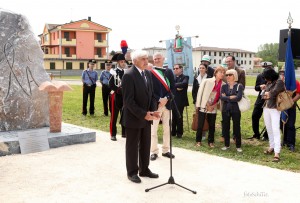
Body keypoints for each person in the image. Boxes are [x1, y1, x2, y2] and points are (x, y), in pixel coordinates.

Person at [121, 50, 160, 183]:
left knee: (145, 144)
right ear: (135, 61)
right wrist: (144, 114)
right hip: (134, 118)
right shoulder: (129, 75)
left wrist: (153, 110)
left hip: (146, 117)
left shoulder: (147, 73)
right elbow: (128, 101)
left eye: (146, 58)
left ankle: (144, 169)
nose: (146, 61)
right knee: (132, 146)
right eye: (143, 59)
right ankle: (132, 172)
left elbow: (150, 95)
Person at [150, 52, 175, 161]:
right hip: (156, 105)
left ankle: (166, 150)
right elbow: (150, 89)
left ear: (163, 59)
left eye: (158, 58)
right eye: (155, 59)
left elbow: (173, 88)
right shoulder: (151, 72)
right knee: (153, 129)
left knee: (167, 129)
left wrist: (167, 98)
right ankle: (154, 151)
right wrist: (159, 99)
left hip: (167, 104)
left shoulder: (169, 72)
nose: (156, 60)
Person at [195, 66, 225, 147]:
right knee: (200, 124)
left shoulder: (223, 85)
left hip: (213, 107)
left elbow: (221, 98)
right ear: (215, 73)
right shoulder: (207, 81)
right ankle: (198, 141)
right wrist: (202, 105)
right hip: (204, 105)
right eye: (220, 72)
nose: (222, 74)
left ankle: (211, 142)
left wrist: (214, 105)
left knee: (212, 125)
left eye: (223, 73)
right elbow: (200, 93)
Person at [261, 68, 285, 162]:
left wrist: (267, 93)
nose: (266, 80)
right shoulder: (269, 82)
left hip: (275, 108)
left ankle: (277, 152)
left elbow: (274, 92)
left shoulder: (279, 82)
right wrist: (265, 93)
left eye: (266, 78)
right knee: (269, 128)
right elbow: (265, 95)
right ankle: (271, 147)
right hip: (266, 107)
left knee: (275, 129)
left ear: (270, 76)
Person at [220, 69, 244, 152]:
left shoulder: (239, 86)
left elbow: (239, 97)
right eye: (226, 75)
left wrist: (227, 97)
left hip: (236, 109)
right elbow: (222, 97)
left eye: (230, 75)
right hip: (225, 109)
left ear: (234, 76)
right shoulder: (224, 86)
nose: (228, 76)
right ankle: (227, 145)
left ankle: (238, 146)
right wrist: (231, 97)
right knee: (226, 127)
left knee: (236, 127)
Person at [248, 62, 272, 141]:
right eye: (264, 68)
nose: (265, 69)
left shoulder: (275, 77)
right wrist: (260, 86)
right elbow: (256, 87)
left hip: (270, 100)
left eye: (267, 68)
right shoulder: (260, 76)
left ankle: (266, 135)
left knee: (269, 118)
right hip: (260, 99)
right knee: (255, 116)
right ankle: (256, 134)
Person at [279, 68, 300, 152]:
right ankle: (285, 141)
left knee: (291, 125)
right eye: (281, 73)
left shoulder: (295, 82)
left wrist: (291, 101)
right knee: (282, 124)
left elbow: (298, 94)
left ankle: (291, 143)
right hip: (282, 107)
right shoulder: (280, 83)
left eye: (284, 73)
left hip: (291, 107)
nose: (283, 75)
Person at [108, 54, 126, 141]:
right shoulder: (113, 71)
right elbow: (111, 84)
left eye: (124, 61)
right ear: (118, 62)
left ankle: (124, 133)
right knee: (114, 116)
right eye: (122, 62)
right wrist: (119, 90)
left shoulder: (126, 72)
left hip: (124, 97)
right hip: (115, 96)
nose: (123, 63)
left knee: (124, 115)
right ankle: (113, 134)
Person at [172, 64, 189, 138]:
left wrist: (174, 85)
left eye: (177, 68)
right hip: (173, 100)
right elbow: (170, 85)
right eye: (174, 68)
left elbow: (184, 84)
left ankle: (179, 133)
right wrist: (177, 86)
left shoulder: (185, 77)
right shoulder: (173, 77)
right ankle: (173, 132)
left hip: (180, 101)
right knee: (173, 117)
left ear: (181, 69)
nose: (175, 70)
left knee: (179, 116)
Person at [192, 63, 208, 139]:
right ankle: (199, 133)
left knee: (205, 118)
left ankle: (204, 133)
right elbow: (193, 91)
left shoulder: (209, 78)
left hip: (206, 102)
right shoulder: (196, 79)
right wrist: (195, 100)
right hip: (197, 102)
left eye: (203, 68)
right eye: (200, 68)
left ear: (206, 69)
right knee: (198, 117)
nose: (201, 69)